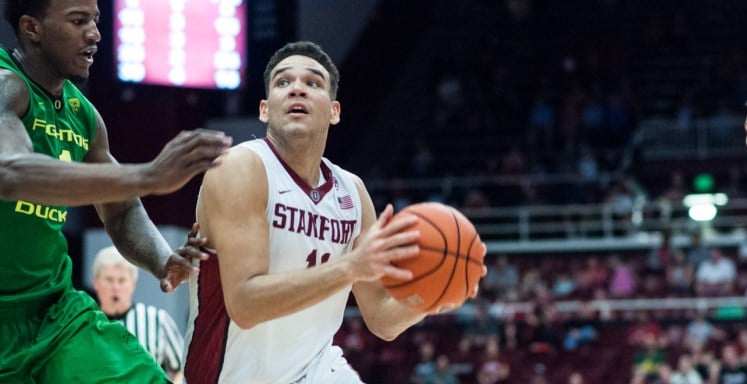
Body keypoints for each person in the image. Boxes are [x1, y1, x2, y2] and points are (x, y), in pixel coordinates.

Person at [183, 41, 487, 383]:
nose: (297, 88)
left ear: (334, 111)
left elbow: (382, 319)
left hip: (318, 370)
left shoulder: (352, 192)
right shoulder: (240, 168)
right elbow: (245, 304)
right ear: (265, 110)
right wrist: (349, 267)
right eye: (283, 82)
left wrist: (433, 295)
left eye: (313, 83)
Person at [0, 1, 232, 382]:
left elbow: (120, 211)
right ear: (31, 28)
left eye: (95, 20)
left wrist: (164, 260)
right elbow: (9, 171)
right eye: (78, 21)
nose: (95, 34)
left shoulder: (84, 116)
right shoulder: (6, 85)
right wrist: (150, 175)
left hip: (56, 316)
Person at [92, 246, 185, 383]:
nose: (115, 287)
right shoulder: (87, 324)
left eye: (122, 280)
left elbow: (181, 367)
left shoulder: (158, 320)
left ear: (133, 283)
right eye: (109, 280)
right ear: (96, 282)